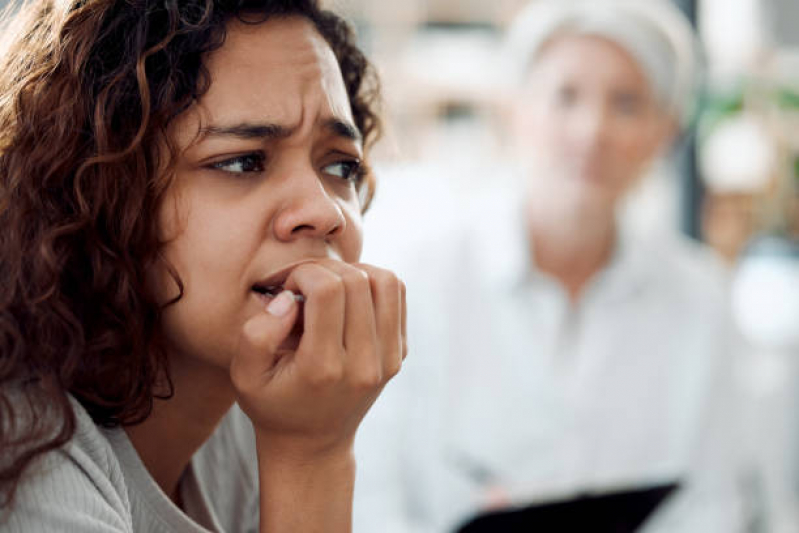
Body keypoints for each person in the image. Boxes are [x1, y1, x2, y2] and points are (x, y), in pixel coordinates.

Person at [0, 0, 406, 531]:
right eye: (242, 162)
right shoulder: (24, 453)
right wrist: (312, 456)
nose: (325, 212)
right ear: (102, 193)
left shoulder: (254, 411)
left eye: (339, 166)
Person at [354, 0, 745, 531]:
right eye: (565, 96)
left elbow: (712, 504)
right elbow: (372, 497)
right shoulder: (417, 281)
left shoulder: (701, 298)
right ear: (516, 110)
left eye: (627, 104)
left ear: (665, 131)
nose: (591, 130)